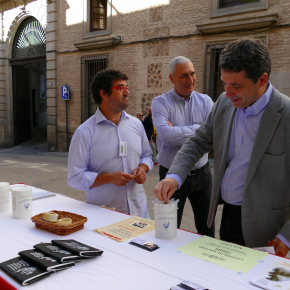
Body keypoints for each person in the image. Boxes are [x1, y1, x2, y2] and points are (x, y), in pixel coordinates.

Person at [153, 38, 290, 257]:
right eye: (224, 83)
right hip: (227, 216)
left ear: (262, 79)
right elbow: (198, 141)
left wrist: (286, 236)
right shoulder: (226, 103)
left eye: (236, 86)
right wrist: (174, 176)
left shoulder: (286, 115)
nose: (227, 92)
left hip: (268, 232)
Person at [68, 69, 153, 218]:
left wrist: (143, 169)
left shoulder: (136, 124)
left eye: (127, 87)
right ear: (104, 94)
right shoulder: (84, 133)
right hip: (105, 216)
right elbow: (75, 178)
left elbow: (147, 155)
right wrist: (110, 178)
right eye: (120, 88)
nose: (127, 92)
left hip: (140, 212)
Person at [151, 56, 214, 237]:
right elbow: (165, 136)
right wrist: (201, 129)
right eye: (184, 76)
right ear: (171, 78)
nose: (190, 80)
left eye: (193, 74)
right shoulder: (160, 102)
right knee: (168, 229)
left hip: (202, 176)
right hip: (171, 176)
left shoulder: (206, 102)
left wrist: (177, 132)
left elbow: (213, 134)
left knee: (207, 229)